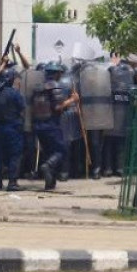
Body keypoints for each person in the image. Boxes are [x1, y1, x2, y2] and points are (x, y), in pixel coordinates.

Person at [31, 62, 77, 191]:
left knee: (49, 152)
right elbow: (57, 107)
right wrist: (72, 100)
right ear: (56, 73)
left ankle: (50, 182)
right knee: (61, 151)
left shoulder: (38, 87)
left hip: (38, 125)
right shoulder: (55, 86)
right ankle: (47, 166)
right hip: (51, 124)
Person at [0, 67, 26, 192]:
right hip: (13, 127)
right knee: (15, 155)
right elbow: (22, 108)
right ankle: (12, 182)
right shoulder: (14, 93)